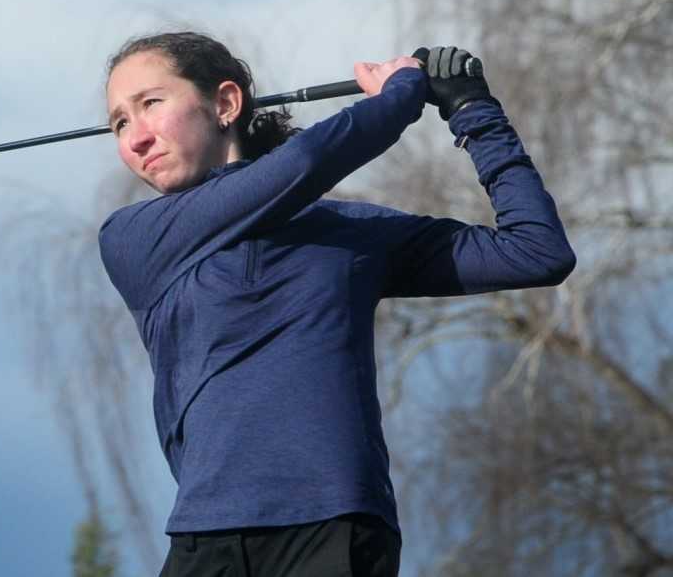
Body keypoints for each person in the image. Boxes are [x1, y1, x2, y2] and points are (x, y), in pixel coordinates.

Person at [98, 32, 575, 577]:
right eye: (119, 123)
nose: (135, 138)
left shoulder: (346, 234)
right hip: (204, 539)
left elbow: (536, 251)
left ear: (226, 104)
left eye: (150, 104)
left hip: (337, 529)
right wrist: (397, 97)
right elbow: (304, 164)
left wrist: (472, 110)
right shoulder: (135, 240)